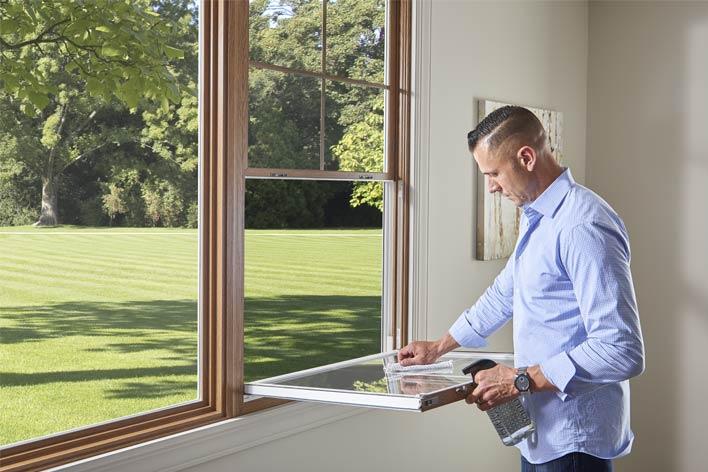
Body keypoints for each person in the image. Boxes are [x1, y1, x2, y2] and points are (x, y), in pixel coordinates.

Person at [398, 106, 645, 472]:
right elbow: (504, 295)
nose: (492, 186)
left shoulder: (581, 225)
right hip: (540, 434)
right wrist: (439, 347)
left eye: (494, 173)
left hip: (574, 443)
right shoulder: (540, 219)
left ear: (526, 157)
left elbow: (621, 350)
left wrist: (518, 381)